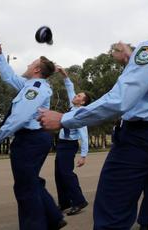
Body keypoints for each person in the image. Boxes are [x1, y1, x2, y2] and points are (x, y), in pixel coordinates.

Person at [38, 0, 148, 229]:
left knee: (112, 218)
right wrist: (133, 63)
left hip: (140, 141)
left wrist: (66, 119)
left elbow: (120, 100)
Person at [0, 39, 65, 230]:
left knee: (25, 189)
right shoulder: (31, 84)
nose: (28, 65)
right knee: (31, 182)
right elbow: (9, 77)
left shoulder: (34, 89)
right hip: (34, 140)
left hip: (30, 140)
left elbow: (19, 117)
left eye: (31, 63)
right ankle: (54, 217)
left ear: (37, 70)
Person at [54, 66, 92, 215]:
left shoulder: (80, 114)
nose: (75, 96)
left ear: (82, 102)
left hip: (69, 145)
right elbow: (70, 89)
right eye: (76, 95)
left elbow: (84, 135)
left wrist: (84, 155)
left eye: (79, 96)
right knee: (59, 174)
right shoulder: (72, 108)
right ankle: (64, 203)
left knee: (67, 173)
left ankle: (79, 201)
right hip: (62, 144)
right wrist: (65, 76)